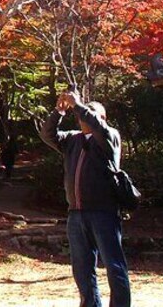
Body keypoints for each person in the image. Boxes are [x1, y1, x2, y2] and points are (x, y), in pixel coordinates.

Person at [40, 88, 132, 307]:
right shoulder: (73, 139)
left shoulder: (109, 137)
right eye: (83, 110)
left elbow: (99, 128)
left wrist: (79, 104)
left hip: (104, 212)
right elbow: (47, 134)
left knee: (114, 265)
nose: (84, 114)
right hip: (76, 214)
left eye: (91, 111)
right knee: (81, 267)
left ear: (102, 118)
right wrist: (58, 112)